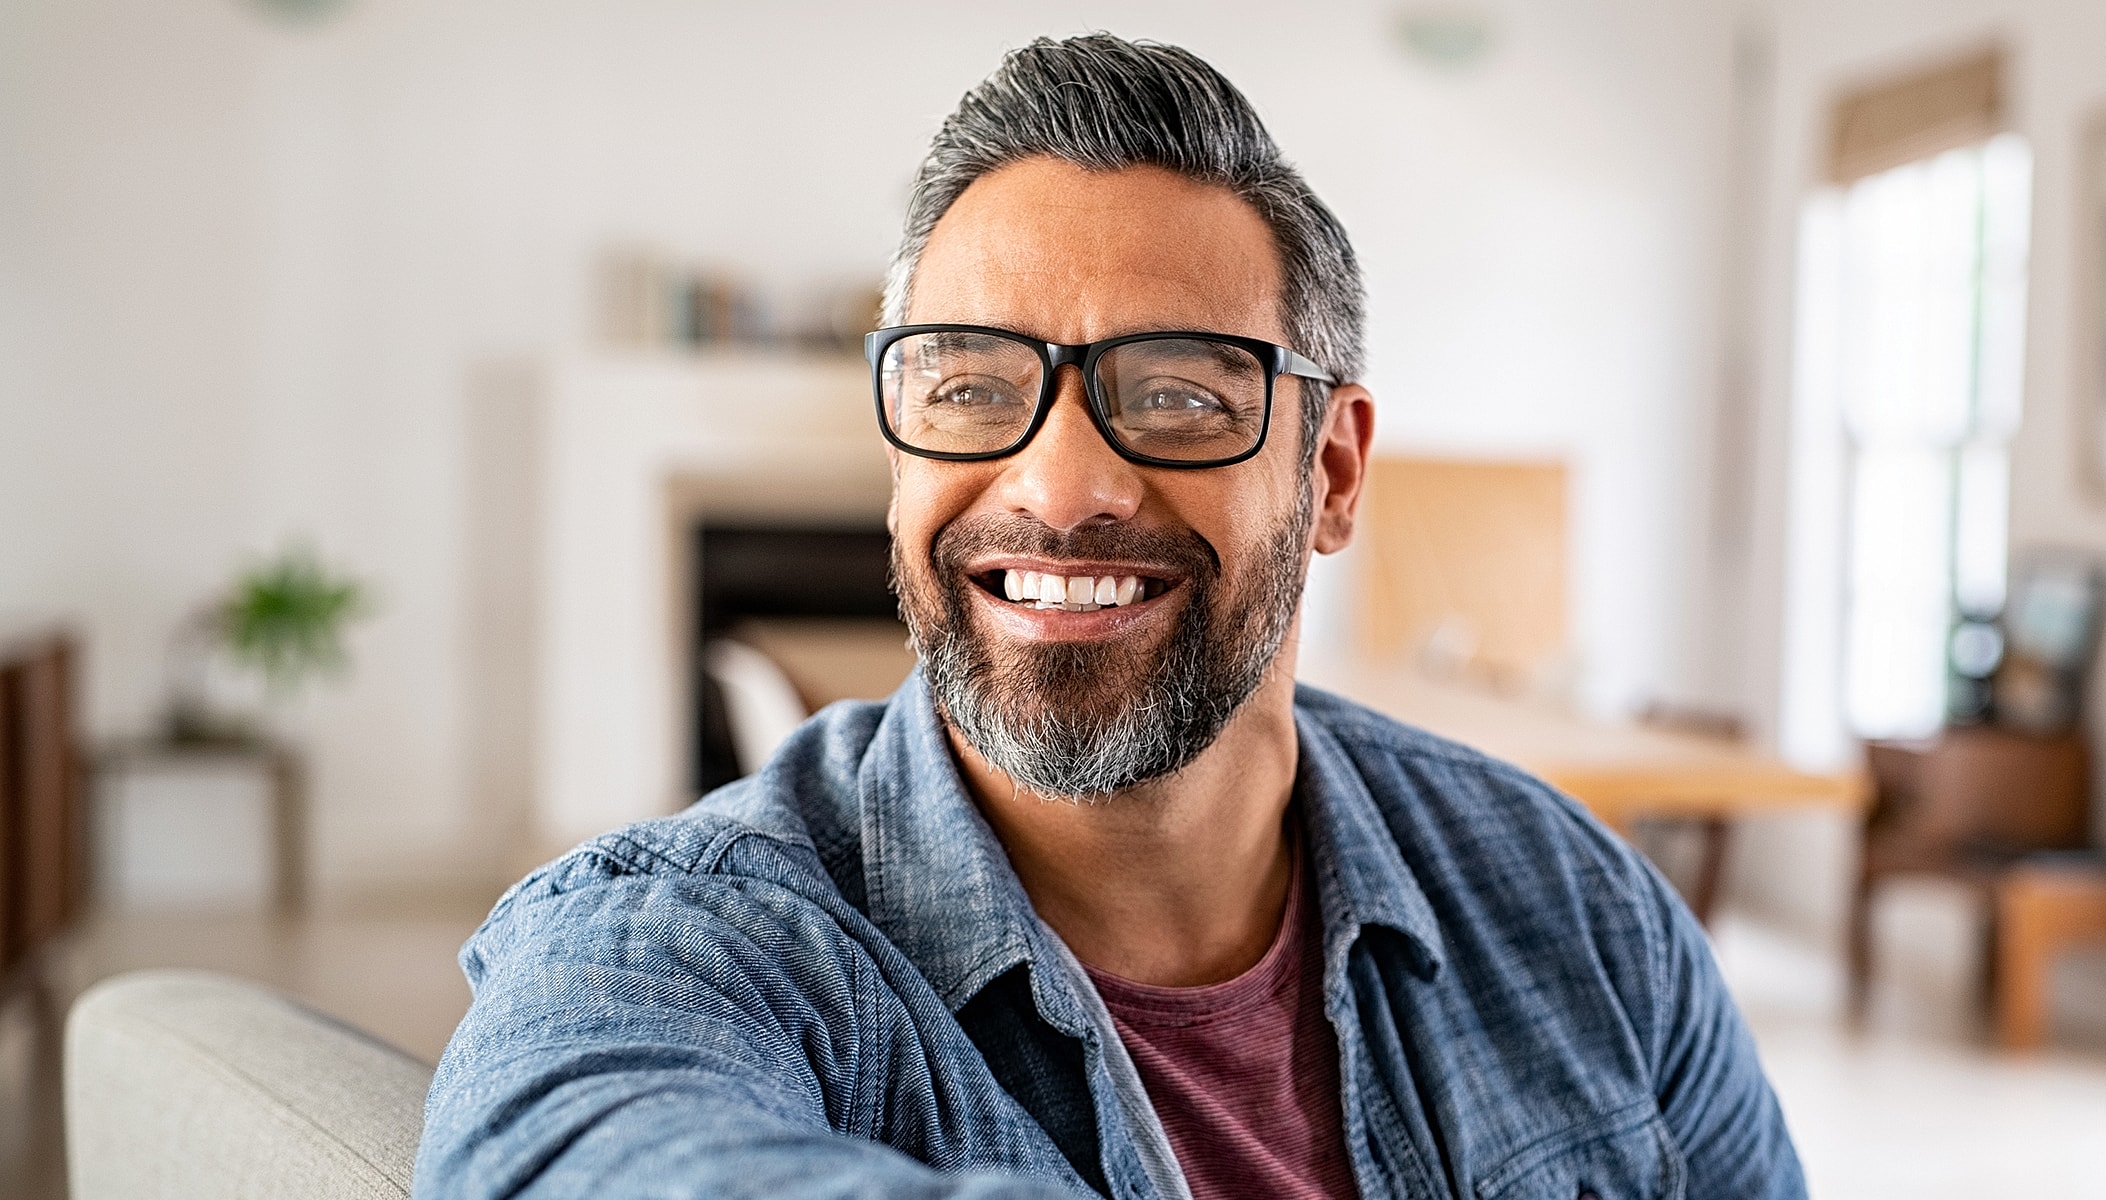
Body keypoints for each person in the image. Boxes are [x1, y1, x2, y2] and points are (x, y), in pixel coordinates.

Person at [416, 34, 1805, 1200]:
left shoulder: (1576, 908)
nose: (1063, 485)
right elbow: (568, 1149)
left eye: (1183, 394)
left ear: (1330, 473)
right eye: (967, 387)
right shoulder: (700, 936)